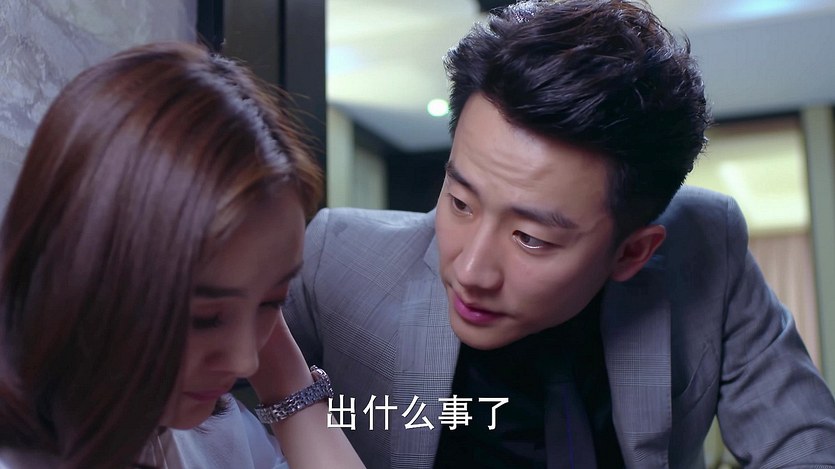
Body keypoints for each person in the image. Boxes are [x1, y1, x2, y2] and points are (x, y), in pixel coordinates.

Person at [280, 0, 835, 468]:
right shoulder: (337, 261)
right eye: (460, 202)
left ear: (632, 252)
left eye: (531, 238)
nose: (469, 271)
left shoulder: (707, 245)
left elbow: (804, 448)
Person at [0, 42, 365, 469]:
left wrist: (287, 382)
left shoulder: (211, 433)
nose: (246, 361)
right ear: (87, 271)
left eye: (273, 302)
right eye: (205, 317)